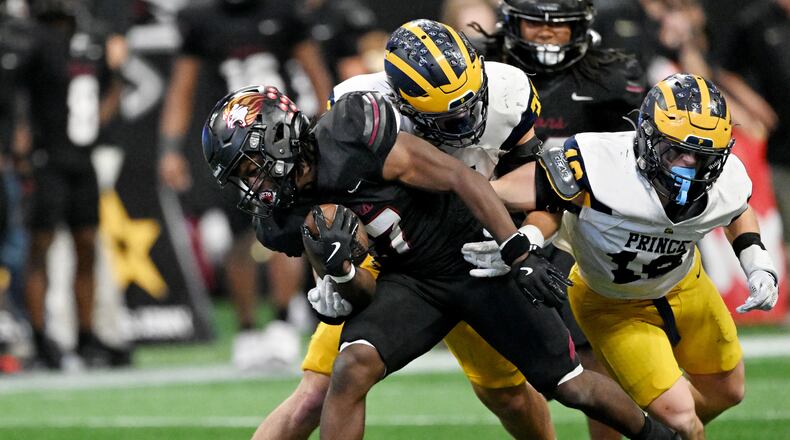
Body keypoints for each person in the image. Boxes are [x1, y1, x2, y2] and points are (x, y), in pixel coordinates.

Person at [202, 27, 678, 440]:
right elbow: (361, 296)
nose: (252, 184)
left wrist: (520, 251)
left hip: (476, 261)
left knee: (569, 385)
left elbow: (461, 178)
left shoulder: (351, 132)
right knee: (350, 368)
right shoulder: (282, 218)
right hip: (411, 280)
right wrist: (341, 274)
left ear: (280, 139)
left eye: (250, 168)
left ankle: (659, 436)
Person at [252, 18, 559, 440]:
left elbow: (541, 190)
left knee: (508, 395)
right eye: (445, 116)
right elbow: (331, 203)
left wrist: (526, 237)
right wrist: (333, 271)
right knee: (316, 392)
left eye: (469, 106)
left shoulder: (509, 93)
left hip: (472, 254)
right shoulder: (363, 110)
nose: (462, 122)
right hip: (387, 252)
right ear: (402, 101)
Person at [467, 73, 778, 439]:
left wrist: (756, 260)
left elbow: (736, 209)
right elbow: (532, 195)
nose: (687, 165)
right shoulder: (599, 162)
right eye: (675, 150)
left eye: (702, 157)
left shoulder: (727, 179)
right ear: (646, 136)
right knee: (682, 419)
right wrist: (521, 237)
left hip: (687, 286)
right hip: (613, 305)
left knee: (728, 392)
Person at [471, 2, 648, 438]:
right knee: (502, 385)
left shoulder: (611, 75)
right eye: (535, 20)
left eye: (560, 25)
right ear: (512, 21)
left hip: (576, 225)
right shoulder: (478, 69)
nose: (547, 33)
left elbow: (639, 157)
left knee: (589, 357)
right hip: (487, 219)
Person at [156, 0, 333, 370]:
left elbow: (315, 72)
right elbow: (181, 88)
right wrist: (170, 148)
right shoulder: (201, 20)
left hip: (284, 136)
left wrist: (328, 124)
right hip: (233, 143)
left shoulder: (282, 12)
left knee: (288, 227)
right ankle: (248, 330)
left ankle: (283, 322)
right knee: (238, 235)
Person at [22, 0, 129, 369]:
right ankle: (39, 337)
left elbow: (114, 85)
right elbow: (17, 93)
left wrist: (95, 126)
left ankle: (86, 336)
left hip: (82, 159)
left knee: (86, 244)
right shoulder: (32, 41)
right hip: (45, 158)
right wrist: (23, 141)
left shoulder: (90, 40)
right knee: (41, 246)